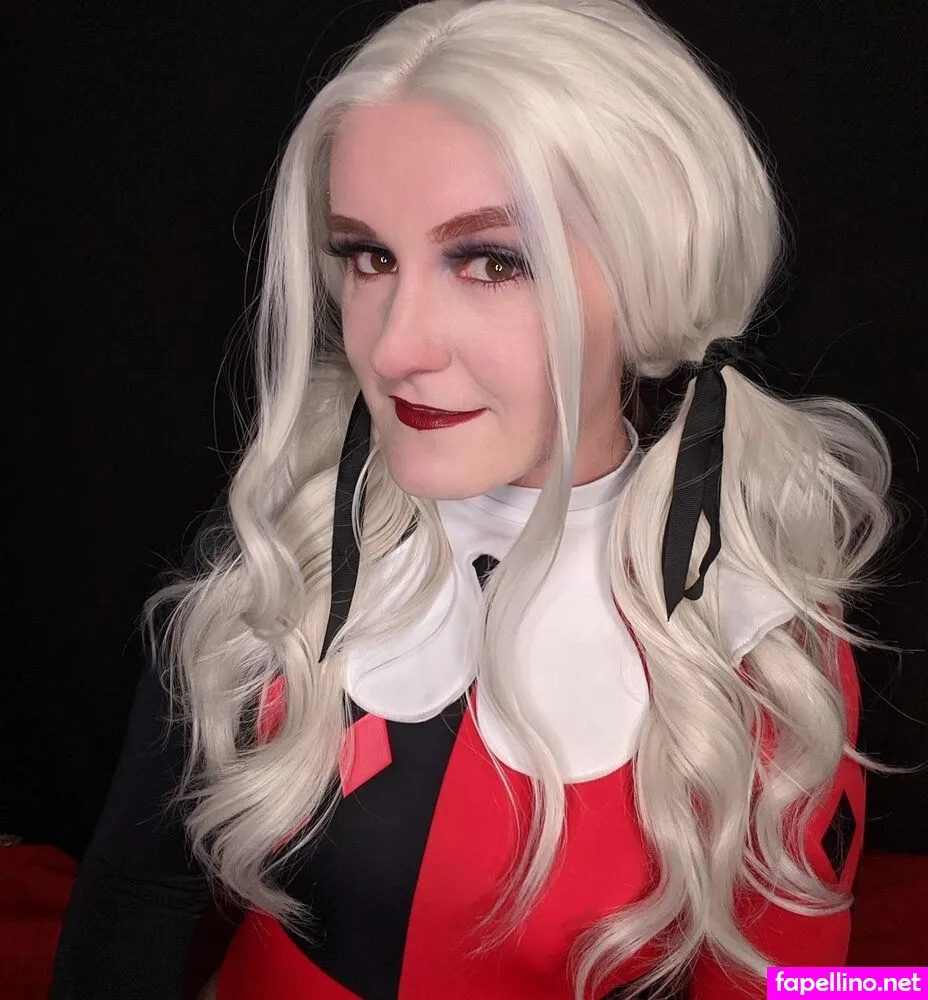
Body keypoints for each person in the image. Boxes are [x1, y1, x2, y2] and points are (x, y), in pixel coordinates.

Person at [50, 0, 901, 997]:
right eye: (369, 256)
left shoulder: (759, 626)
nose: (394, 347)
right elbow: (136, 892)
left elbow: (802, 983)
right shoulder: (282, 546)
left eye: (492, 261)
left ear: (653, 271)